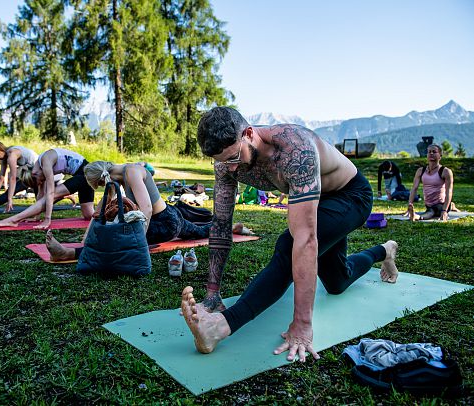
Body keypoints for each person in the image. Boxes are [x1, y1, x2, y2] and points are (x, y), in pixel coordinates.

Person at [180, 107, 399, 362]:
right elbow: (220, 225)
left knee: (289, 243)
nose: (229, 168)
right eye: (221, 161)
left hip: (349, 196)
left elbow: (305, 241)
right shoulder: (227, 164)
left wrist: (303, 324)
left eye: (233, 158)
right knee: (338, 282)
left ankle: (219, 327)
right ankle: (385, 251)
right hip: (319, 202)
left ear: (249, 133)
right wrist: (212, 293)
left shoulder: (295, 150)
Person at [44, 161, 250, 262]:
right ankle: (232, 227)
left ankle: (68, 253)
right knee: (198, 231)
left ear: (102, 180)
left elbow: (147, 210)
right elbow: (99, 212)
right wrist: (87, 236)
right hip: (171, 216)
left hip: (164, 221)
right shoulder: (119, 175)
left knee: (116, 242)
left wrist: (137, 244)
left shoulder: (131, 171)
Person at [0, 148, 95, 228]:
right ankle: (109, 213)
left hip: (85, 172)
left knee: (51, 195)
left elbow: (49, 194)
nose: (41, 182)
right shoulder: (38, 168)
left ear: (34, 174)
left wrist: (47, 219)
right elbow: (40, 195)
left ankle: (13, 220)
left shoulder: (45, 162)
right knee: (89, 215)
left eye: (39, 181)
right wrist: (36, 217)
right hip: (84, 174)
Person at [407, 144, 454, 221]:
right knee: (430, 209)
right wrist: (409, 205)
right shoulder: (420, 171)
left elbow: (449, 191)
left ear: (440, 156)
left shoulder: (446, 171)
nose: (431, 153)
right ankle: (452, 206)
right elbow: (414, 188)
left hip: (441, 205)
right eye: (429, 152)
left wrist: (445, 211)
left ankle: (417, 217)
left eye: (434, 152)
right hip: (429, 204)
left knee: (432, 211)